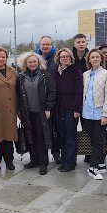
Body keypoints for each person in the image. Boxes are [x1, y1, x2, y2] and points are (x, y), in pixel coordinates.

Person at [18, 52, 56, 175]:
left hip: (41, 112)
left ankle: (43, 163)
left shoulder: (46, 75)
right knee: (31, 136)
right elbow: (18, 95)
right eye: (30, 62)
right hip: (27, 112)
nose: (32, 64)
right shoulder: (21, 76)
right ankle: (34, 159)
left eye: (35, 61)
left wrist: (48, 108)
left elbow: (52, 92)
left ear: (39, 62)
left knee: (41, 138)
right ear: (25, 64)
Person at [82, 48, 107, 180]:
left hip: (100, 113)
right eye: (92, 57)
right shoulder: (85, 74)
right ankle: (100, 162)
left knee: (98, 139)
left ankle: (93, 167)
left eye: (97, 57)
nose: (95, 59)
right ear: (89, 59)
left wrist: (105, 114)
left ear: (101, 59)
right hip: (87, 113)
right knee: (91, 138)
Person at [54, 48, 83, 172]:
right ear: (58, 59)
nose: (64, 58)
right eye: (62, 57)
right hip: (58, 107)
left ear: (71, 58)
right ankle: (65, 159)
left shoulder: (75, 71)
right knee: (62, 135)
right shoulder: (55, 71)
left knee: (70, 136)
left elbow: (79, 91)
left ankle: (70, 162)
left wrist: (77, 109)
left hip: (71, 107)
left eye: (67, 56)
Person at [36, 35, 61, 164]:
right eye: (43, 44)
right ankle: (41, 154)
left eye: (48, 44)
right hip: (38, 99)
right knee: (41, 129)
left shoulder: (57, 59)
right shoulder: (35, 58)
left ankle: (56, 152)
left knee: (54, 128)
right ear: (39, 45)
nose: (45, 46)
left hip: (54, 98)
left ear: (52, 45)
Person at [71, 34, 91, 164]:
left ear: (86, 43)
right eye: (78, 42)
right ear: (74, 44)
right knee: (71, 128)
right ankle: (70, 154)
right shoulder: (69, 57)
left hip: (88, 99)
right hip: (72, 99)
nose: (81, 44)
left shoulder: (91, 57)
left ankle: (89, 154)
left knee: (88, 127)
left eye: (83, 42)